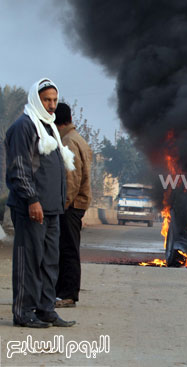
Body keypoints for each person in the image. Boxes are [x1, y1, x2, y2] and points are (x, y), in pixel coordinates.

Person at [5, 78, 76, 328]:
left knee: (49, 262)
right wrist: (32, 200)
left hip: (52, 210)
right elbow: (19, 169)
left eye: (55, 100)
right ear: (37, 99)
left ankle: (46, 309)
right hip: (31, 208)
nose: (52, 105)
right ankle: (23, 312)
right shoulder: (25, 127)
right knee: (29, 261)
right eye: (47, 100)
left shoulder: (49, 128)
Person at [54, 102, 93, 308]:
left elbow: (72, 177)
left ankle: (68, 294)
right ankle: (63, 292)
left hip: (71, 205)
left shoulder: (68, 142)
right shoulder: (78, 139)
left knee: (67, 249)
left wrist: (64, 204)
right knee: (67, 248)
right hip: (77, 203)